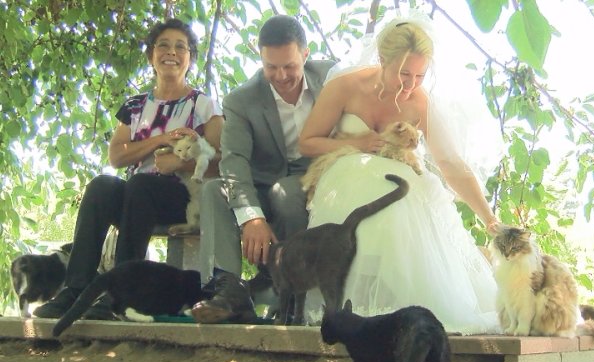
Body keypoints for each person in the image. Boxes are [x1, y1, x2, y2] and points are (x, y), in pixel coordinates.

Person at [298, 16, 501, 334]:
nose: (410, 84)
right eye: (404, 74)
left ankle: (411, 311)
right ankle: (359, 310)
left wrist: (490, 218)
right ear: (382, 61)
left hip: (403, 186)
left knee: (406, 201)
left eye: (419, 75)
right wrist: (358, 143)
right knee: (383, 205)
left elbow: (450, 164)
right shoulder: (346, 87)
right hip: (348, 179)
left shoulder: (420, 102)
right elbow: (307, 142)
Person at [34, 18, 224, 319]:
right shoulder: (135, 106)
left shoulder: (204, 105)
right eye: (163, 45)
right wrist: (159, 139)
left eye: (180, 47)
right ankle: (76, 288)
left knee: (140, 186)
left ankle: (117, 294)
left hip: (182, 197)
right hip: (138, 196)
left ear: (190, 58)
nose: (171, 52)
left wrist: (182, 162)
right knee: (102, 185)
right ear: (151, 55)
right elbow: (117, 156)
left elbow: (220, 159)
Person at [191, 15, 335, 323]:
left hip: (317, 177)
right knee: (215, 189)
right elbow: (234, 161)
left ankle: (294, 295)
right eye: (271, 67)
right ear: (261, 58)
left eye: (290, 66)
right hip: (260, 183)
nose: (281, 75)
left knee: (287, 193)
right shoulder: (240, 100)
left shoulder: (333, 78)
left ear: (306, 55)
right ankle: (229, 289)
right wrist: (251, 216)